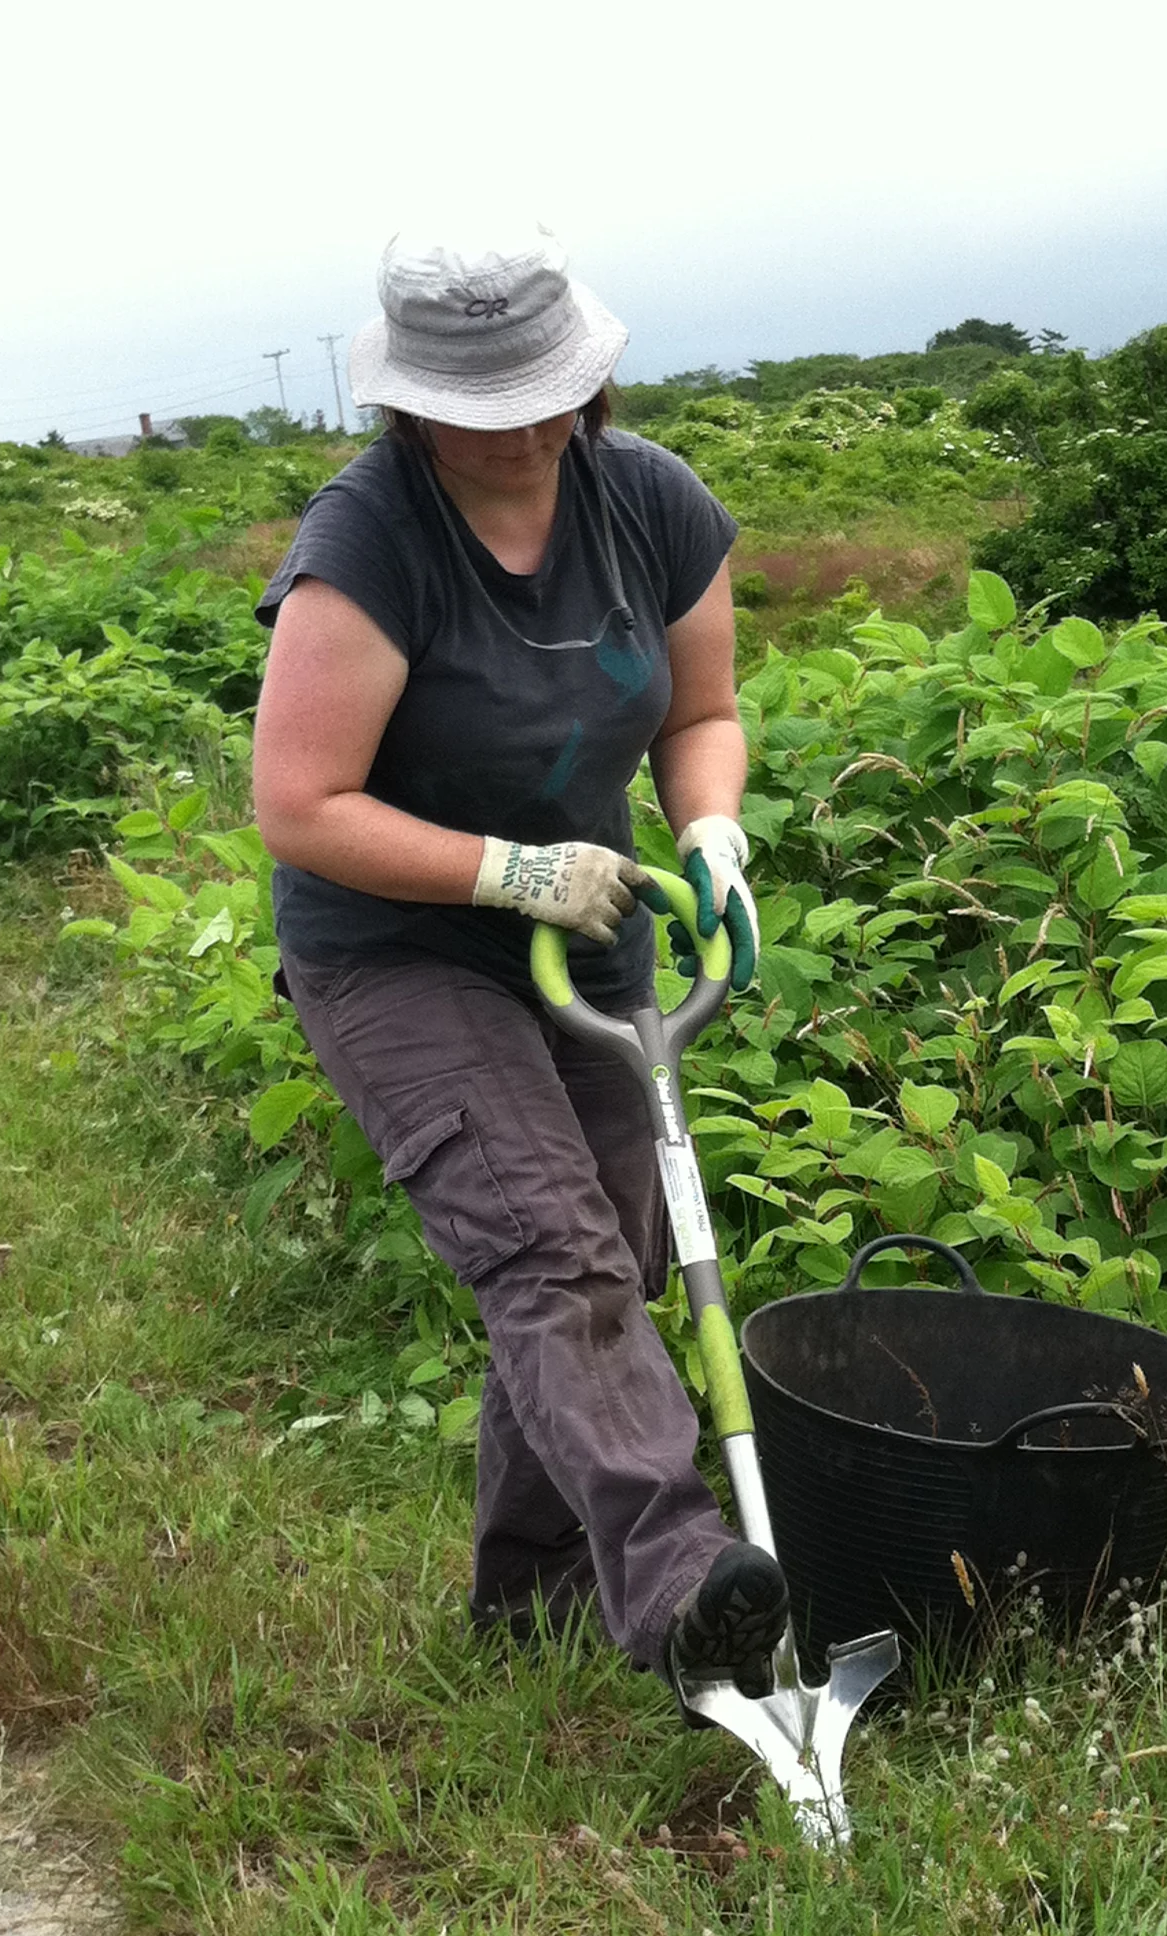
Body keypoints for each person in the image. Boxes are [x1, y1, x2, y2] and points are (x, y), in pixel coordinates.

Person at [250, 222, 789, 1698]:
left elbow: (698, 713)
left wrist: (713, 828)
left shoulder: (653, 505)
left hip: (593, 935)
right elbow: (299, 805)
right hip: (400, 948)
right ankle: (684, 1585)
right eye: (487, 408)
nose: (528, 429)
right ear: (415, 402)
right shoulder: (367, 544)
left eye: (548, 394)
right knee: (549, 1252)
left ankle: (533, 1601)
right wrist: (509, 871)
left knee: (601, 1263)